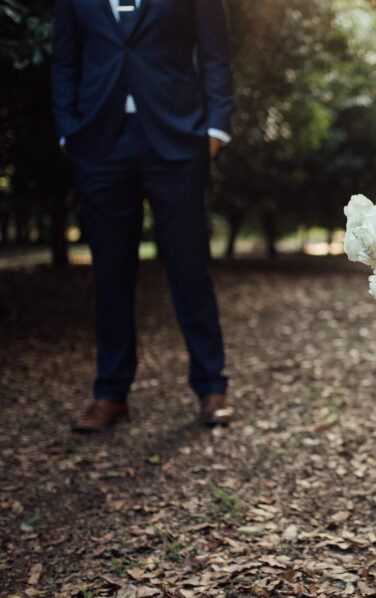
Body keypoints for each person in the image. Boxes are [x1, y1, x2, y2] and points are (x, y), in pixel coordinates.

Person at [51, 0, 235, 432]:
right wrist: (67, 132)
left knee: (189, 268)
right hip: (98, 142)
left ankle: (211, 388)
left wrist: (215, 129)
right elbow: (64, 61)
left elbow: (216, 54)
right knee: (110, 273)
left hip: (178, 139)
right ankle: (111, 393)